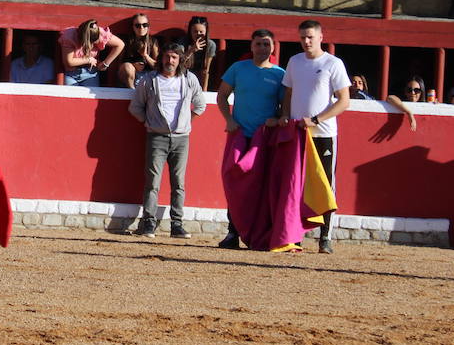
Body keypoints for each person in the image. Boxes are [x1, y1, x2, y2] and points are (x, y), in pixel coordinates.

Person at [281, 19, 351, 253]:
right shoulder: (294, 62)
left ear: (321, 37)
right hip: (298, 132)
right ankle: (296, 234)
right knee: (297, 184)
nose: (306, 41)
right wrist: (286, 117)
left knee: (325, 184)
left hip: (323, 134)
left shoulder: (333, 63)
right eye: (302, 37)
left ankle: (325, 237)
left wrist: (317, 119)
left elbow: (344, 100)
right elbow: (288, 93)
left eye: (310, 37)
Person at [216, 28, 286, 249]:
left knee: (262, 186)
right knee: (234, 182)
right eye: (259, 44)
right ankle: (232, 232)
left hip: (265, 138)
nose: (263, 48)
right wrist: (228, 118)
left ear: (273, 47)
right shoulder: (238, 68)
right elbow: (222, 95)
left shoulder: (280, 74)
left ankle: (261, 233)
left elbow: (286, 106)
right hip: (240, 134)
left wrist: (278, 119)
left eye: (267, 44)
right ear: (251, 46)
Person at [128, 44, 206, 239]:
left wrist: (185, 122)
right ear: (161, 58)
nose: (170, 61)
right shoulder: (149, 80)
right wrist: (149, 122)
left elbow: (200, 104)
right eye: (167, 57)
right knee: (153, 182)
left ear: (179, 60)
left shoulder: (189, 79)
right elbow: (135, 107)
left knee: (178, 183)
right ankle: (148, 222)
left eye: (174, 57)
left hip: (181, 138)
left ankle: (177, 224)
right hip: (156, 137)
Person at [57, 18, 124, 87]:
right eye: (91, 43)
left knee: (90, 96)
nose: (92, 45)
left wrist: (106, 63)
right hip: (71, 74)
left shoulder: (99, 33)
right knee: (71, 96)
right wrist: (88, 60)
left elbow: (120, 44)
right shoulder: (70, 36)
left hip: (90, 73)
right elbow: (69, 61)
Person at [116, 13, 159, 87]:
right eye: (137, 25)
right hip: (129, 75)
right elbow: (120, 64)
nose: (141, 28)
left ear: (148, 26)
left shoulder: (153, 41)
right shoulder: (126, 41)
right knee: (128, 67)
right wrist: (133, 65)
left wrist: (146, 56)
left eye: (145, 25)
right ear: (133, 27)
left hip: (147, 75)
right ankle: (132, 91)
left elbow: (157, 65)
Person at [183, 15, 217, 90]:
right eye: (195, 32)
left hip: (200, 79)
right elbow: (178, 64)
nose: (198, 34)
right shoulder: (183, 43)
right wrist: (191, 50)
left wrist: (204, 91)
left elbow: (206, 70)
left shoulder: (210, 45)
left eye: (201, 32)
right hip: (184, 77)